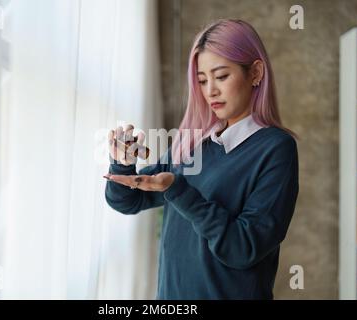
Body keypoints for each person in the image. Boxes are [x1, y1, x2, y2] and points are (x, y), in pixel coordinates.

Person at [103, 19, 299, 300]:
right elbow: (128, 201)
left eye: (221, 76)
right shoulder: (193, 142)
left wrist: (178, 190)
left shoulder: (276, 149)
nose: (210, 91)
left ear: (255, 73)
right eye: (202, 80)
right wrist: (122, 164)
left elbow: (243, 248)